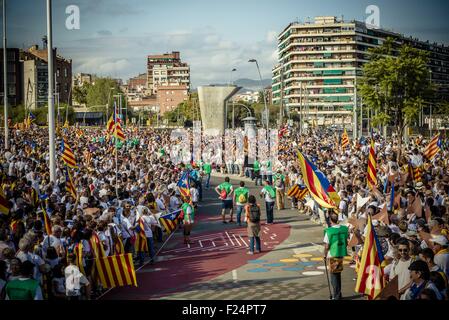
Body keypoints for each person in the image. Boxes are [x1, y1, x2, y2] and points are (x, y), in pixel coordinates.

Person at [323, 212, 349, 300]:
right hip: (340, 253)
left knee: (334, 276)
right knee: (338, 275)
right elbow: (346, 240)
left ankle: (337, 296)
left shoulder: (329, 231)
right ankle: (338, 294)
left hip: (332, 255)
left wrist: (324, 255)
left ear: (330, 220)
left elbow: (326, 246)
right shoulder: (344, 229)